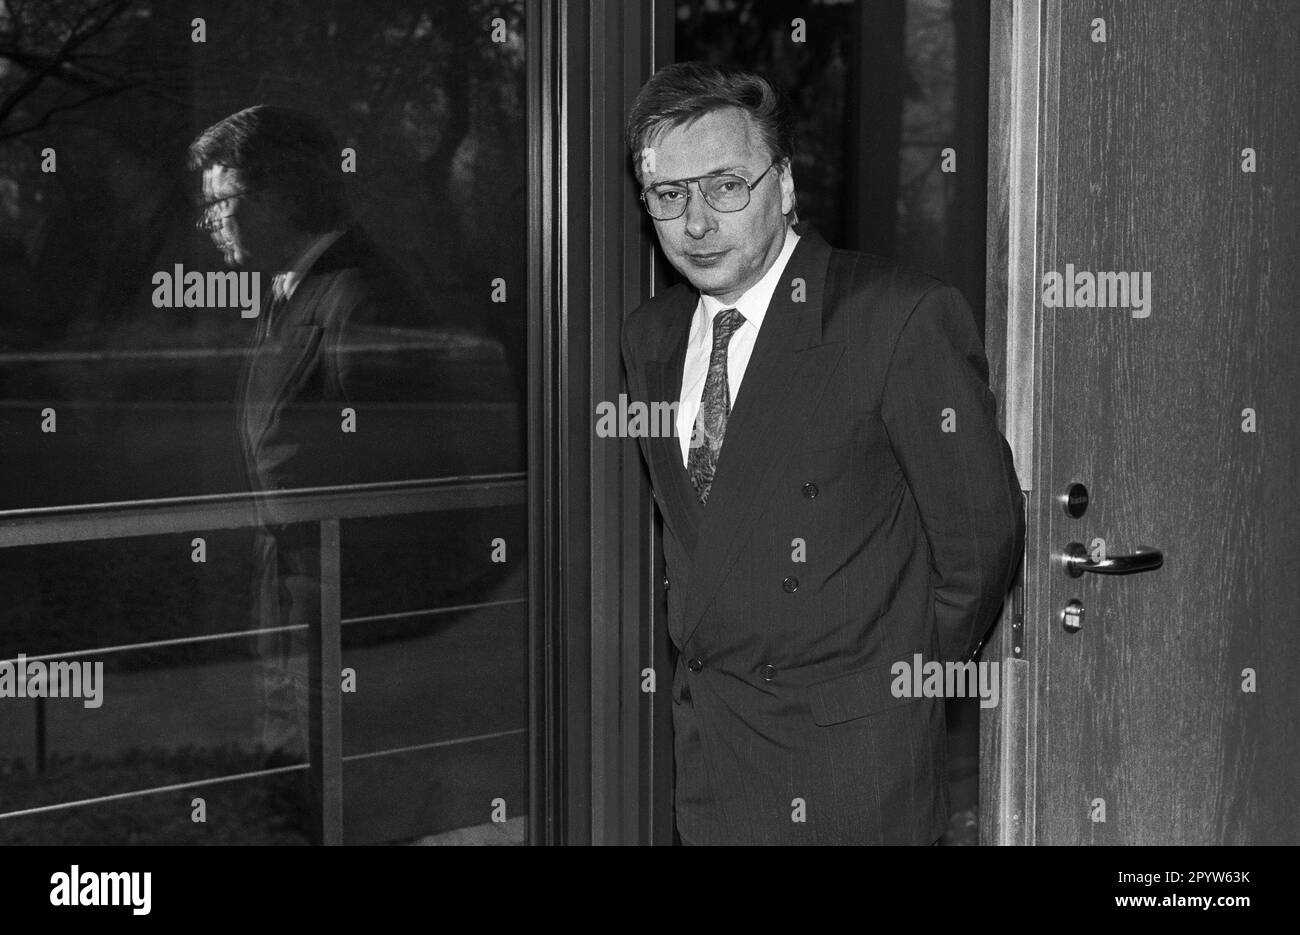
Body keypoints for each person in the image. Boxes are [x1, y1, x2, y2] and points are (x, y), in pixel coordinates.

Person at [620, 63, 1025, 845]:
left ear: (785, 184)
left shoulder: (895, 319)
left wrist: (888, 685)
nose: (697, 222)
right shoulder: (652, 339)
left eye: (726, 185)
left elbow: (982, 538)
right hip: (711, 762)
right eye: (669, 196)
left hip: (854, 772)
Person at [187, 105, 413, 829]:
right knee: (297, 794)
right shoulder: (292, 289)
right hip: (295, 607)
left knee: (344, 801)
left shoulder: (357, 295)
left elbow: (399, 474)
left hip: (345, 617)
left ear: (277, 196)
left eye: (221, 201)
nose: (210, 220)